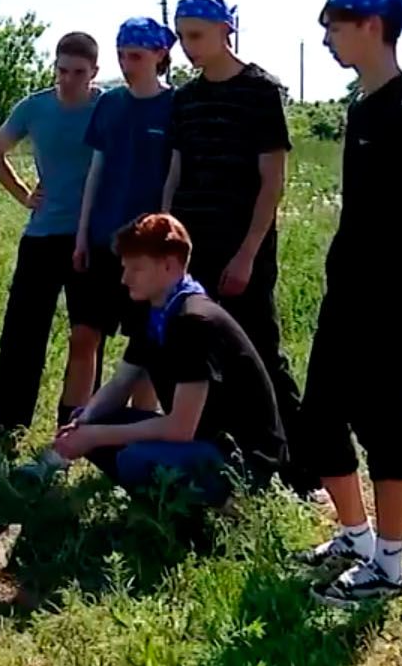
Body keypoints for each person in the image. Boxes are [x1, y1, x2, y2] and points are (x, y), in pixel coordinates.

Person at [291, 0, 402, 609]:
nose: (327, 36)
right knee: (319, 423)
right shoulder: (362, 107)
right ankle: (356, 539)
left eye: (334, 23)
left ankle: (390, 565)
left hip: (388, 295)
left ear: (371, 25)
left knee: (387, 427)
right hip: (346, 290)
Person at [162, 0, 309, 494]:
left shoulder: (260, 91)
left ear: (227, 30)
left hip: (241, 243)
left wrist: (247, 252)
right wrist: (168, 240)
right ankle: (223, 458)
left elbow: (272, 180)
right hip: (192, 242)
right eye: (181, 37)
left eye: (197, 36)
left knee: (260, 350)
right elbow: (175, 172)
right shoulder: (185, 98)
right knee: (196, 352)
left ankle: (299, 468)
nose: (187, 48)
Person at [51, 214, 284, 510]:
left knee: (132, 456)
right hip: (204, 440)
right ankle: (163, 503)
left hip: (242, 457)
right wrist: (82, 423)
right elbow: (122, 381)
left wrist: (95, 436)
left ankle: (208, 514)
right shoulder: (158, 312)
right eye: (125, 268)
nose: (125, 279)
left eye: (136, 268)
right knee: (96, 421)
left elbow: (180, 428)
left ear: (169, 265)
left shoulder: (194, 322)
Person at [0, 31, 108, 432]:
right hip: (42, 234)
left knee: (86, 334)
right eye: (61, 70)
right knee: (22, 333)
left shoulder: (107, 107)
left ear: (94, 72)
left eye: (78, 72)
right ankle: (9, 423)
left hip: (90, 235)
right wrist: (22, 193)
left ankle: (73, 425)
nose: (68, 79)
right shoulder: (34, 107)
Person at [76, 17, 177, 349]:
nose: (126, 64)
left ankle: (142, 405)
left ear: (159, 55)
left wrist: (163, 238)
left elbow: (174, 176)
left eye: (136, 56)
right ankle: (81, 404)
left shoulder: (175, 105)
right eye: (122, 55)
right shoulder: (110, 102)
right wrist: (82, 235)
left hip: (146, 242)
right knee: (86, 334)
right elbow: (96, 169)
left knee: (144, 344)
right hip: (104, 236)